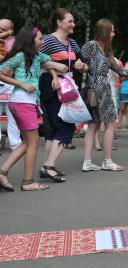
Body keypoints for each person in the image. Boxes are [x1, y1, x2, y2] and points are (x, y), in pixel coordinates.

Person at [0, 25, 67, 191]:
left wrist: (56, 69)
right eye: (40, 38)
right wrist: (20, 83)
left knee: (27, 142)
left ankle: (2, 173)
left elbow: (47, 61)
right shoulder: (21, 56)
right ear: (31, 40)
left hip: (23, 103)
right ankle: (28, 182)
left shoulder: (36, 56)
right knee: (34, 142)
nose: (42, 41)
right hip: (22, 102)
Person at [39, 8, 88, 182]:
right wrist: (55, 67)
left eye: (74, 21)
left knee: (53, 127)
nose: (73, 24)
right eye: (70, 21)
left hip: (67, 85)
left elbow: (81, 62)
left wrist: (81, 66)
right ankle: (49, 166)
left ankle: (46, 166)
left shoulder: (72, 43)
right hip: (52, 85)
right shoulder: (47, 40)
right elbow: (36, 60)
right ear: (59, 22)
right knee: (65, 125)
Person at [81, 19, 128, 172]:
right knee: (109, 123)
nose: (114, 34)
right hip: (98, 88)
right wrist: (81, 66)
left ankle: (88, 162)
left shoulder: (105, 49)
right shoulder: (92, 45)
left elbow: (119, 70)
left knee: (94, 125)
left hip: (97, 88)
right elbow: (79, 61)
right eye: (112, 31)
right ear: (105, 31)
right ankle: (107, 161)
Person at [0, 18, 22, 150]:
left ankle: (16, 144)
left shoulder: (15, 42)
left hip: (10, 82)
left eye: (2, 29)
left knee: (13, 114)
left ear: (11, 30)